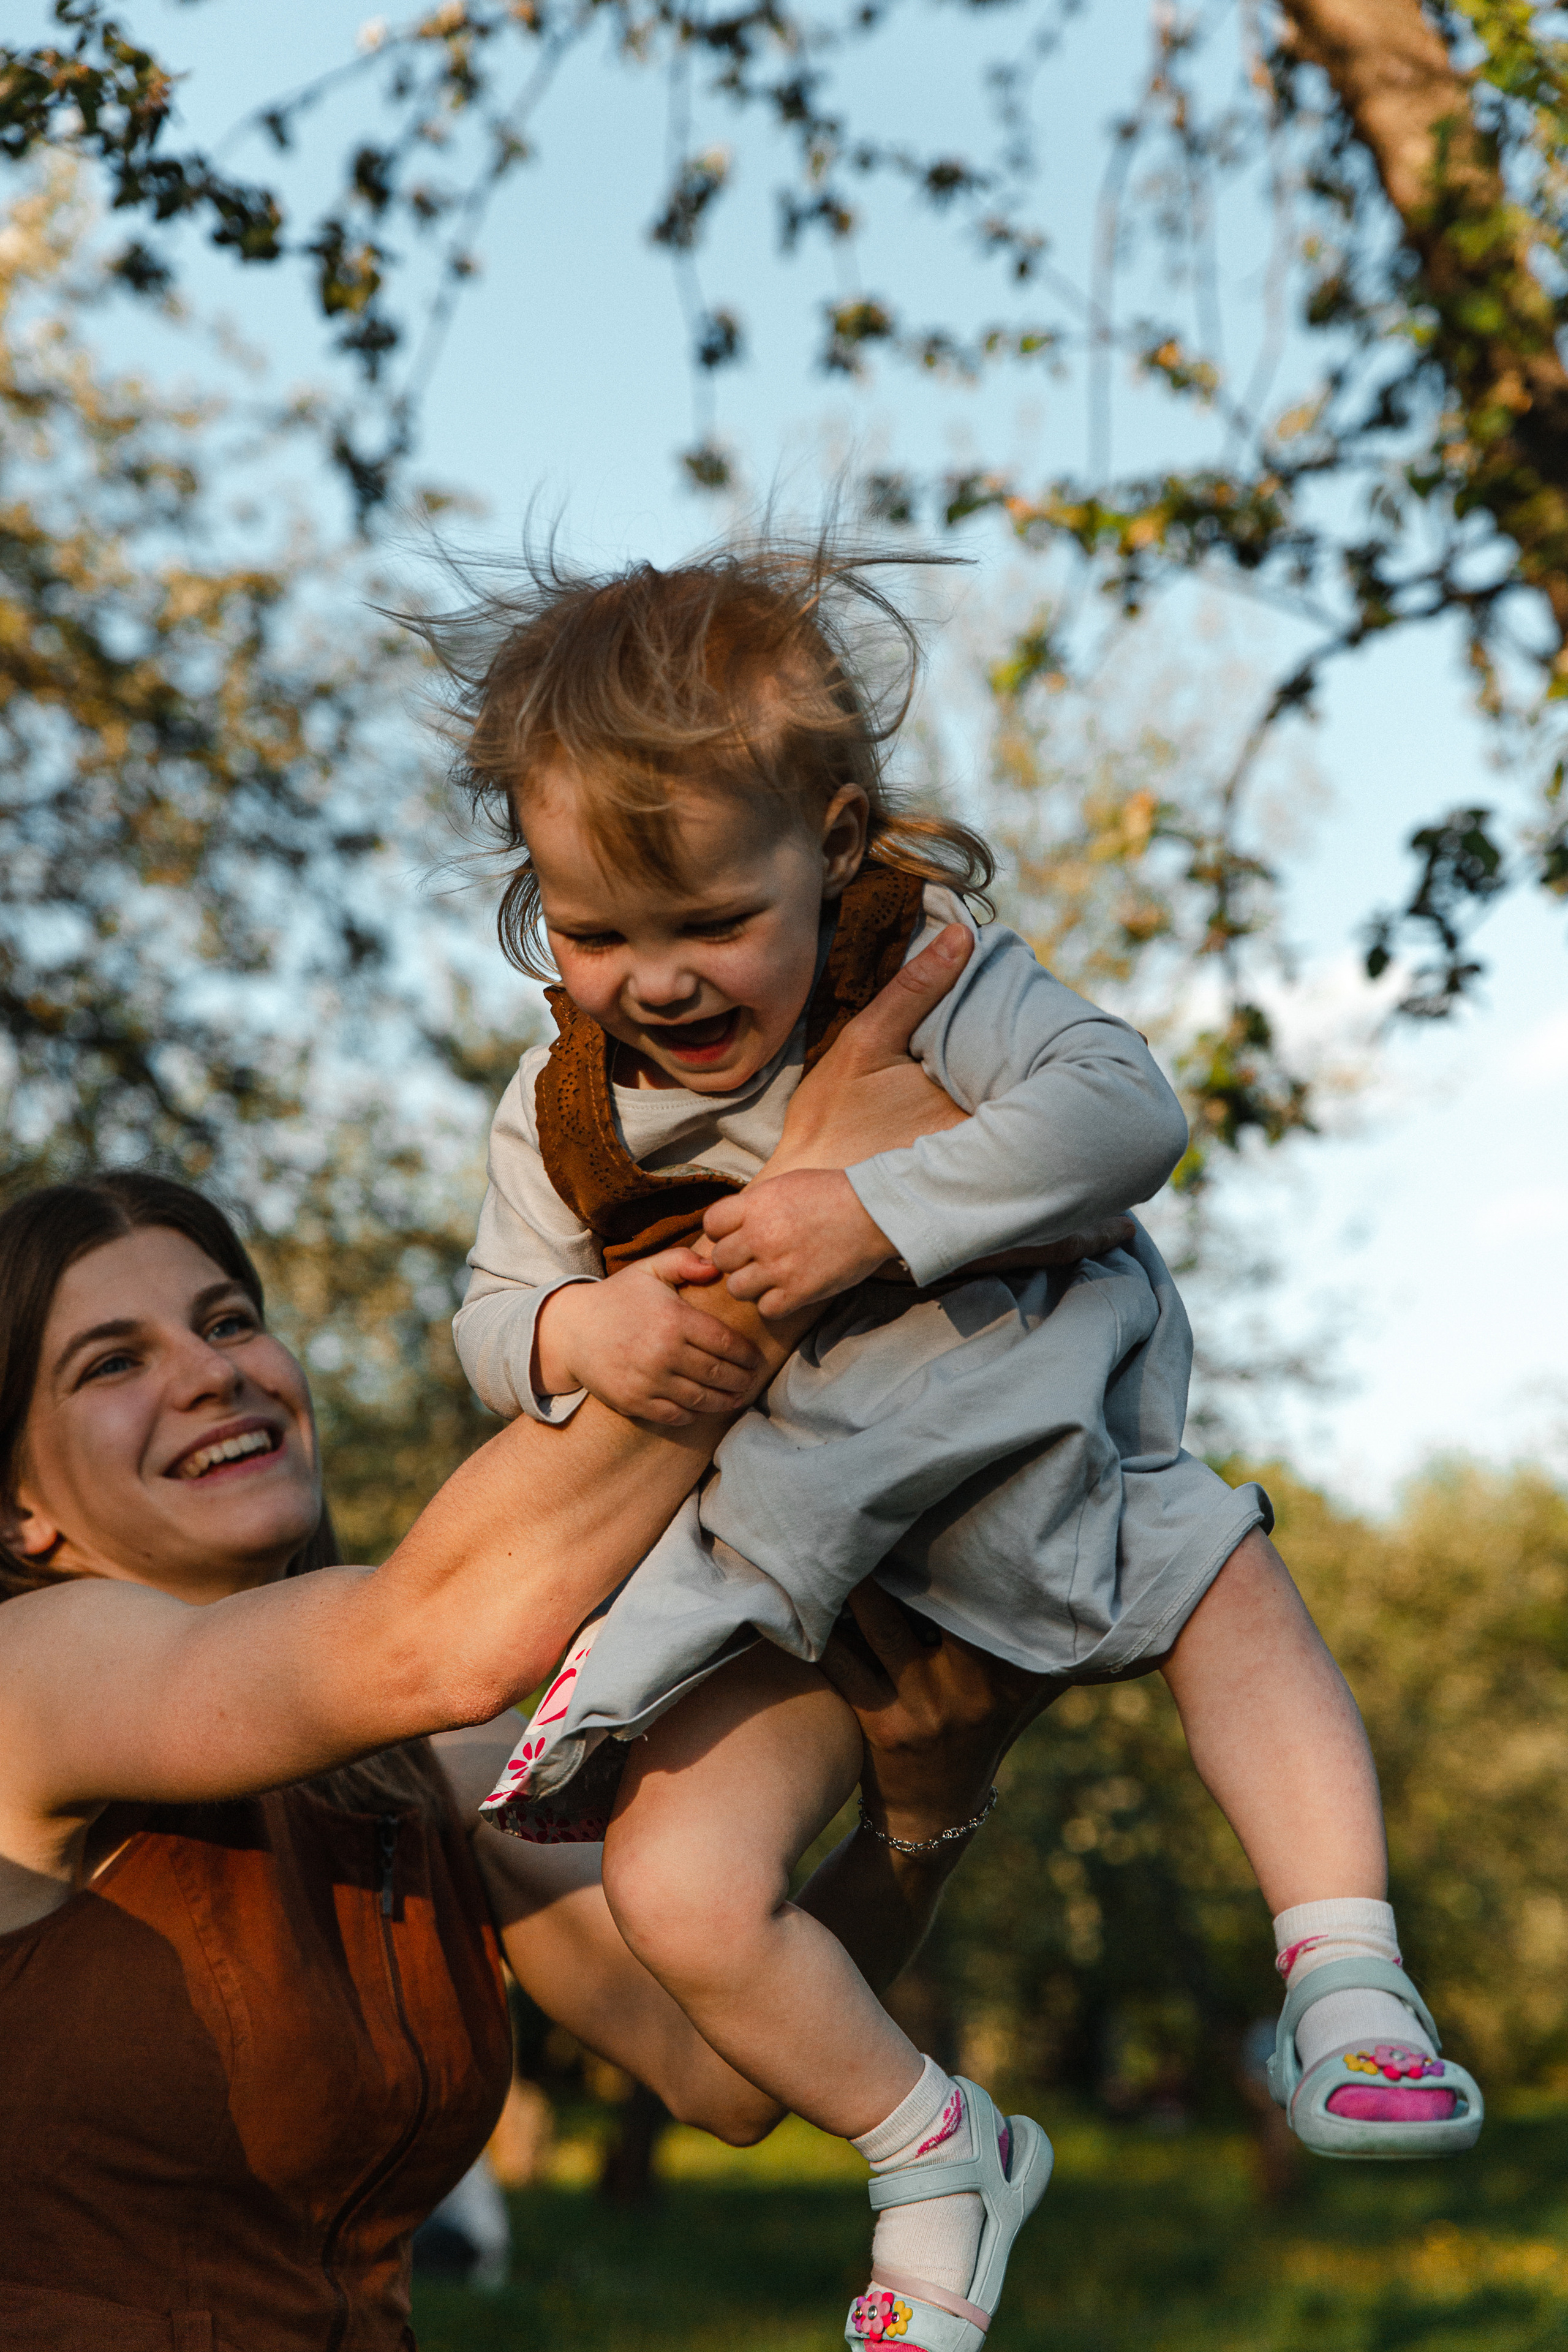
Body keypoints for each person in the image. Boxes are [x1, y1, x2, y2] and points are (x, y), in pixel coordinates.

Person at [431, 535, 1481, 2352]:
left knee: (1235, 1593)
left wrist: (873, 1210)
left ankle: (1348, 1976)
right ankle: (933, 2152)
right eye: (597, 933)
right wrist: (571, 1326)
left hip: (1034, 1451)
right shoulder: (561, 1109)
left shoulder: (933, 970)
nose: (658, 981)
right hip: (794, 1557)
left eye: (710, 924)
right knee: (680, 1890)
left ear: (832, 846)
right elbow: (485, 1314)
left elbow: (1127, 1110)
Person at [0, 939, 1046, 2350]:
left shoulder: (421, 1766)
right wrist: (797, 1222)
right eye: (111, 1364)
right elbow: (437, 1633)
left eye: (228, 1320)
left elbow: (717, 2073)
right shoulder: (33, 1681)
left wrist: (916, 1817)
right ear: (19, 1511)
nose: (209, 1372)